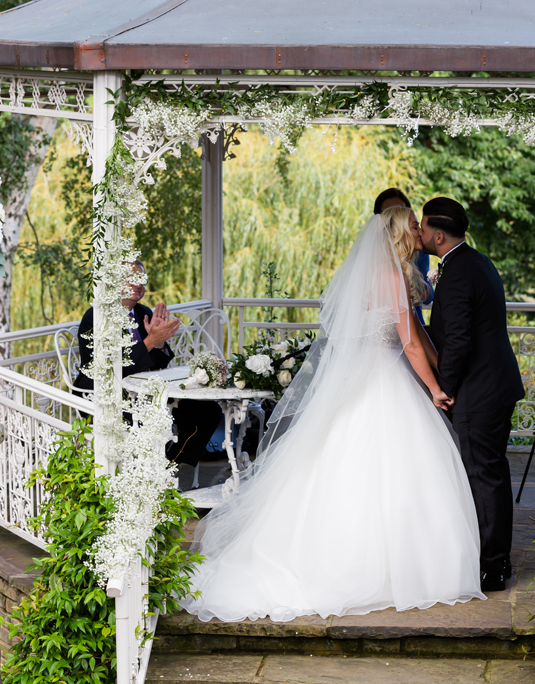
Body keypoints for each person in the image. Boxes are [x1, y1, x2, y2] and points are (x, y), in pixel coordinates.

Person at [181, 207, 484, 622]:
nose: (419, 230)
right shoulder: (393, 277)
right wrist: (435, 388)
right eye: (413, 224)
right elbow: (411, 345)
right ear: (399, 234)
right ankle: (391, 569)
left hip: (366, 378)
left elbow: (395, 337)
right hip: (387, 383)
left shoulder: (368, 281)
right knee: (399, 472)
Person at [418, 197, 525, 592]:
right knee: (488, 473)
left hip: (480, 390)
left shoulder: (460, 271)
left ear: (439, 234)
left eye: (424, 228)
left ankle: (493, 567)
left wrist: (442, 387)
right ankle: (492, 559)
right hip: (492, 384)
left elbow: (459, 339)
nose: (420, 234)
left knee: (484, 476)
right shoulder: (473, 261)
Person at [74, 260, 224, 467]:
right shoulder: (97, 316)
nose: (138, 285)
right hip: (108, 394)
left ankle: (171, 468)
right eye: (132, 279)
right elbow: (110, 367)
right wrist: (150, 341)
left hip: (148, 391)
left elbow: (159, 362)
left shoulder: (144, 312)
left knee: (209, 412)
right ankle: (145, 474)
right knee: (153, 420)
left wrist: (160, 342)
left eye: (142, 280)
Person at [374, 188, 433, 324]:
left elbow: (429, 297)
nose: (395, 215)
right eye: (389, 212)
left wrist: (414, 279)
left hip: (414, 322)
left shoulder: (420, 250)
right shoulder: (372, 256)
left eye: (400, 210)